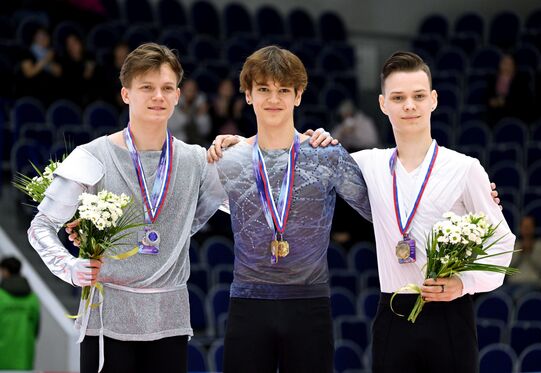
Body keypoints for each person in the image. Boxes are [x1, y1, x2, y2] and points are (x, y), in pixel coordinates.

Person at [210, 51, 514, 373]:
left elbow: (503, 245)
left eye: (418, 96)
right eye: (399, 97)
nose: (409, 105)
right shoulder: (365, 163)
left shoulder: (466, 169)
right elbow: (285, 174)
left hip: (451, 311)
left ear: (434, 100)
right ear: (383, 104)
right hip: (392, 313)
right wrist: (243, 148)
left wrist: (463, 283)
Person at [27, 42, 226, 373]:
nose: (158, 96)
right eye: (146, 87)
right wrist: (69, 267)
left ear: (178, 96)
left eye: (166, 88)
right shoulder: (91, 156)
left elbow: (250, 203)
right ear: (126, 94)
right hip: (107, 320)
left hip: (169, 320)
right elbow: (41, 226)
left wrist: (243, 151)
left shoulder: (196, 160)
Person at [212, 45, 372, 373]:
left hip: (309, 304)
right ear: (248, 95)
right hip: (248, 303)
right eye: (264, 89)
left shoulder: (325, 154)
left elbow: (381, 209)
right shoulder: (227, 160)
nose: (274, 98)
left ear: (298, 96)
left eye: (284, 89)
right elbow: (182, 207)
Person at [0, 256, 40, 370]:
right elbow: (36, 329)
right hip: (24, 353)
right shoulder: (32, 298)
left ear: (5, 271)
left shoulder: (1, 296)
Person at [507, 215, 541, 298]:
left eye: (529, 226)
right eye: (524, 226)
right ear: (521, 228)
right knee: (497, 295)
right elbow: (507, 268)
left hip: (532, 283)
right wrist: (519, 253)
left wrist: (532, 253)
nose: (526, 229)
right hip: (512, 283)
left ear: (534, 228)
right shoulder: (515, 246)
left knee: (518, 295)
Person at [168, 78, 212, 146]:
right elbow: (173, 128)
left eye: (192, 90)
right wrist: (184, 114)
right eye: (188, 90)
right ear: (182, 91)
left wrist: (201, 115)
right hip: (178, 142)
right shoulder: (174, 104)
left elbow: (205, 131)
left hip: (198, 143)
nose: (190, 92)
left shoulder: (200, 104)